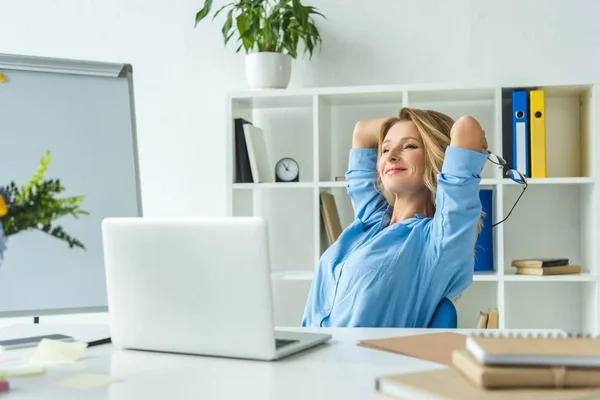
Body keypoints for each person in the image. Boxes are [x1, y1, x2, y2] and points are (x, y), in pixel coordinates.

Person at [301, 107, 489, 327]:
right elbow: (361, 132)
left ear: (435, 156)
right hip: (310, 352)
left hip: (358, 359)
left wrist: (432, 127)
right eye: (385, 148)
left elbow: (466, 127)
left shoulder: (439, 242)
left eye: (409, 146)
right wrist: (403, 123)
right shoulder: (371, 220)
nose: (390, 156)